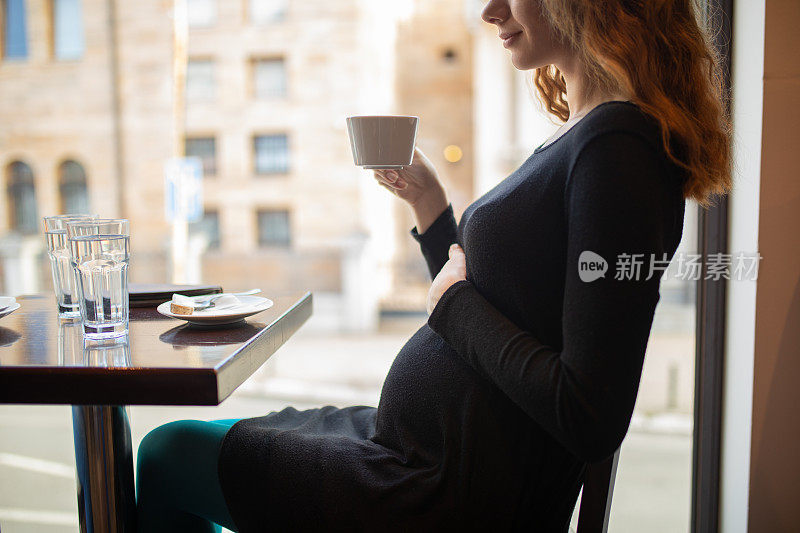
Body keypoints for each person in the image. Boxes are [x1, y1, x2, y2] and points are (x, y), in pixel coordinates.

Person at [135, 1, 732, 531]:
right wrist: (431, 206)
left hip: (439, 491)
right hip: (412, 450)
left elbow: (590, 415)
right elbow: (497, 294)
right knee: (190, 447)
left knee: (168, 454)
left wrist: (453, 308)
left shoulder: (617, 150)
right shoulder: (588, 134)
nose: (491, 10)